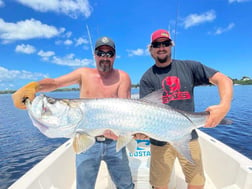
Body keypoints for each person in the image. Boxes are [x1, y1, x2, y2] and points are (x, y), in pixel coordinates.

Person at [12, 36, 135, 189]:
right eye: (100, 53)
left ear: (114, 56)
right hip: (86, 141)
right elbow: (56, 83)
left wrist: (122, 132)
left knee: (126, 186)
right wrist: (34, 87)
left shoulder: (123, 77)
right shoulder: (83, 74)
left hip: (115, 143)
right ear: (94, 55)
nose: (105, 57)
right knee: (84, 187)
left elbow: (126, 110)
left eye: (109, 53)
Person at [139, 29, 233, 189]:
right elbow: (144, 113)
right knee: (159, 185)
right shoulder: (147, 78)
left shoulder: (189, 67)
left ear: (171, 46)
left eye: (165, 43)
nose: (161, 47)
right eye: (156, 44)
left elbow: (224, 80)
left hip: (187, 135)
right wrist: (138, 131)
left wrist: (224, 106)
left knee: (197, 182)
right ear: (151, 49)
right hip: (159, 140)